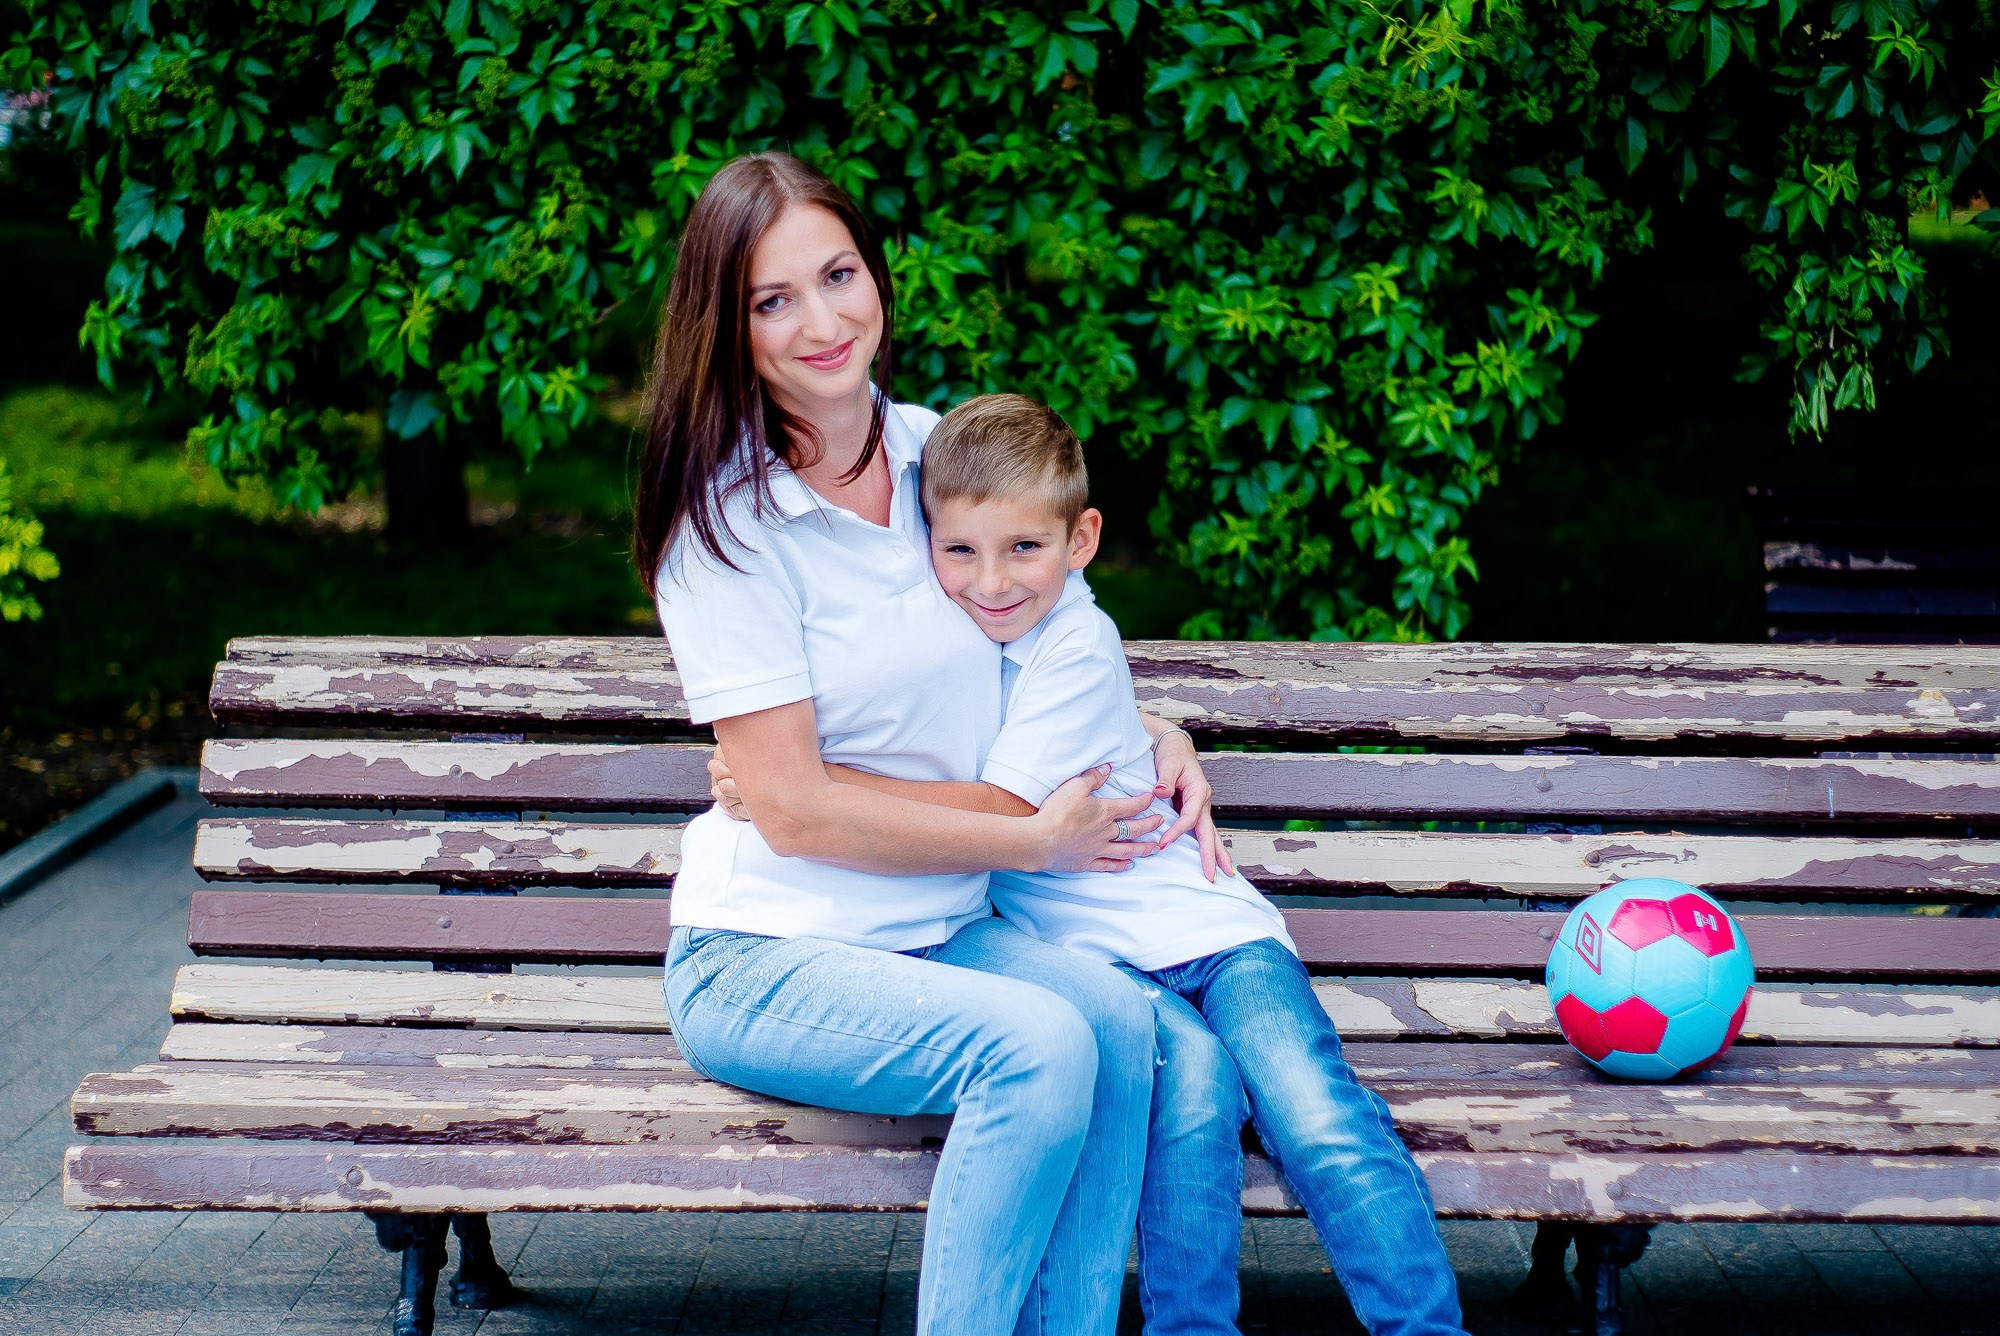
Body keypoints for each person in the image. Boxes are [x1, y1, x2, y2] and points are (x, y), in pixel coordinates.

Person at [714, 394, 1469, 1335]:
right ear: (926, 544)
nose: (991, 579)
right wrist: (779, 774)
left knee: (1314, 1116)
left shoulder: (1076, 638)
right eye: (960, 550)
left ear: (1082, 541)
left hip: (1208, 931)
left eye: (1024, 548)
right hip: (1090, 964)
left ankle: (1426, 1327)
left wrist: (806, 786)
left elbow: (1009, 812)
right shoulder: (958, 632)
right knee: (1193, 1096)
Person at [633, 153, 1228, 1336]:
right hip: (766, 951)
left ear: (875, 273)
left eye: (837, 275)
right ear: (728, 328)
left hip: (937, 926)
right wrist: (1029, 838)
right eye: (772, 300)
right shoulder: (726, 525)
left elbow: (1050, 629)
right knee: (1037, 1045)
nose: (822, 323)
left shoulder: (939, 459)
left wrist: (1151, 728)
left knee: (1117, 1025)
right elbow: (793, 813)